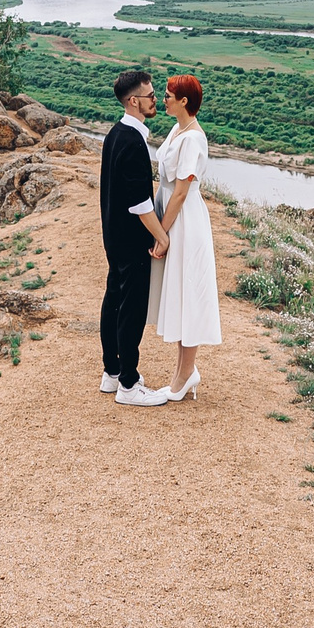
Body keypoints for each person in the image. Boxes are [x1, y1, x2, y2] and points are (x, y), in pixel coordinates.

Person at [98, 67, 171, 406]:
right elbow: (140, 203)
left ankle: (111, 373)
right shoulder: (132, 141)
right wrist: (161, 236)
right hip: (131, 237)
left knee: (114, 300)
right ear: (133, 101)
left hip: (113, 235)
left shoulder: (115, 134)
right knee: (131, 309)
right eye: (151, 96)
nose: (156, 100)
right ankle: (129, 384)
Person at [147, 73, 221, 400]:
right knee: (178, 292)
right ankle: (182, 373)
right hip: (173, 214)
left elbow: (180, 192)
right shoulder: (179, 128)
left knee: (188, 292)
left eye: (167, 95)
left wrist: (161, 230)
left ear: (184, 101)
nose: (162, 99)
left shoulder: (193, 139)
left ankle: (186, 374)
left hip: (184, 220)